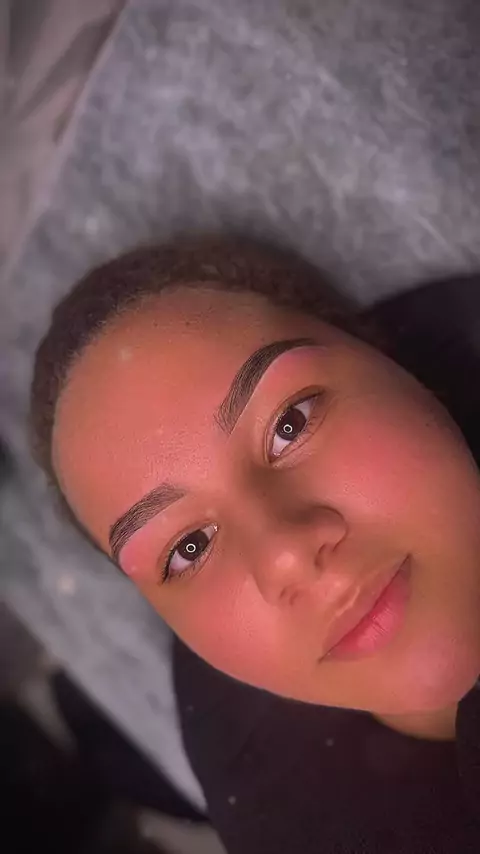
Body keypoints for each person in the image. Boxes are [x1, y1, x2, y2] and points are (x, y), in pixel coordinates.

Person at [30, 235, 480, 852]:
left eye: (289, 425)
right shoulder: (274, 802)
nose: (285, 555)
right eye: (189, 548)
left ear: (387, 358)